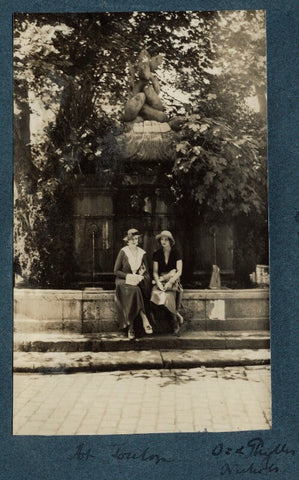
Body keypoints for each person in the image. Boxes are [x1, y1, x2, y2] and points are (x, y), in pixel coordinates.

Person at [114, 228, 153, 340]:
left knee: (135, 289)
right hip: (123, 281)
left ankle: (131, 328)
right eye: (132, 239)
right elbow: (116, 271)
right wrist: (128, 276)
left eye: (136, 239)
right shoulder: (123, 252)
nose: (134, 241)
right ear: (127, 241)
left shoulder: (142, 253)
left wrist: (142, 275)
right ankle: (143, 317)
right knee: (134, 290)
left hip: (136, 281)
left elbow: (147, 273)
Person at [150, 230, 184, 335]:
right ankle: (159, 325)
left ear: (170, 241)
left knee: (169, 296)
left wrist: (170, 282)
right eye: (161, 239)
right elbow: (155, 272)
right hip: (160, 279)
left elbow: (179, 271)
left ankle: (175, 323)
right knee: (154, 294)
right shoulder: (157, 253)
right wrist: (158, 282)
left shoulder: (176, 252)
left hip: (173, 279)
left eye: (166, 239)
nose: (163, 242)